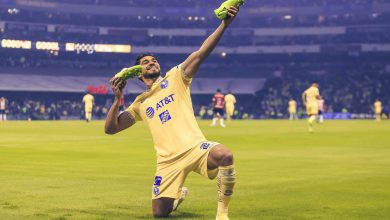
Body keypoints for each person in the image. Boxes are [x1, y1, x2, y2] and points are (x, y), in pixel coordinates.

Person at [104, 6, 239, 220]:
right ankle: (177, 197)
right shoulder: (140, 103)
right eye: (145, 62)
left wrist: (224, 24)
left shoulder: (176, 78)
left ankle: (222, 213)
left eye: (154, 60)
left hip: (195, 147)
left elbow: (201, 53)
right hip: (167, 162)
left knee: (225, 155)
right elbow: (111, 129)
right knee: (159, 214)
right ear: (138, 74)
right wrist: (117, 98)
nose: (152, 63)